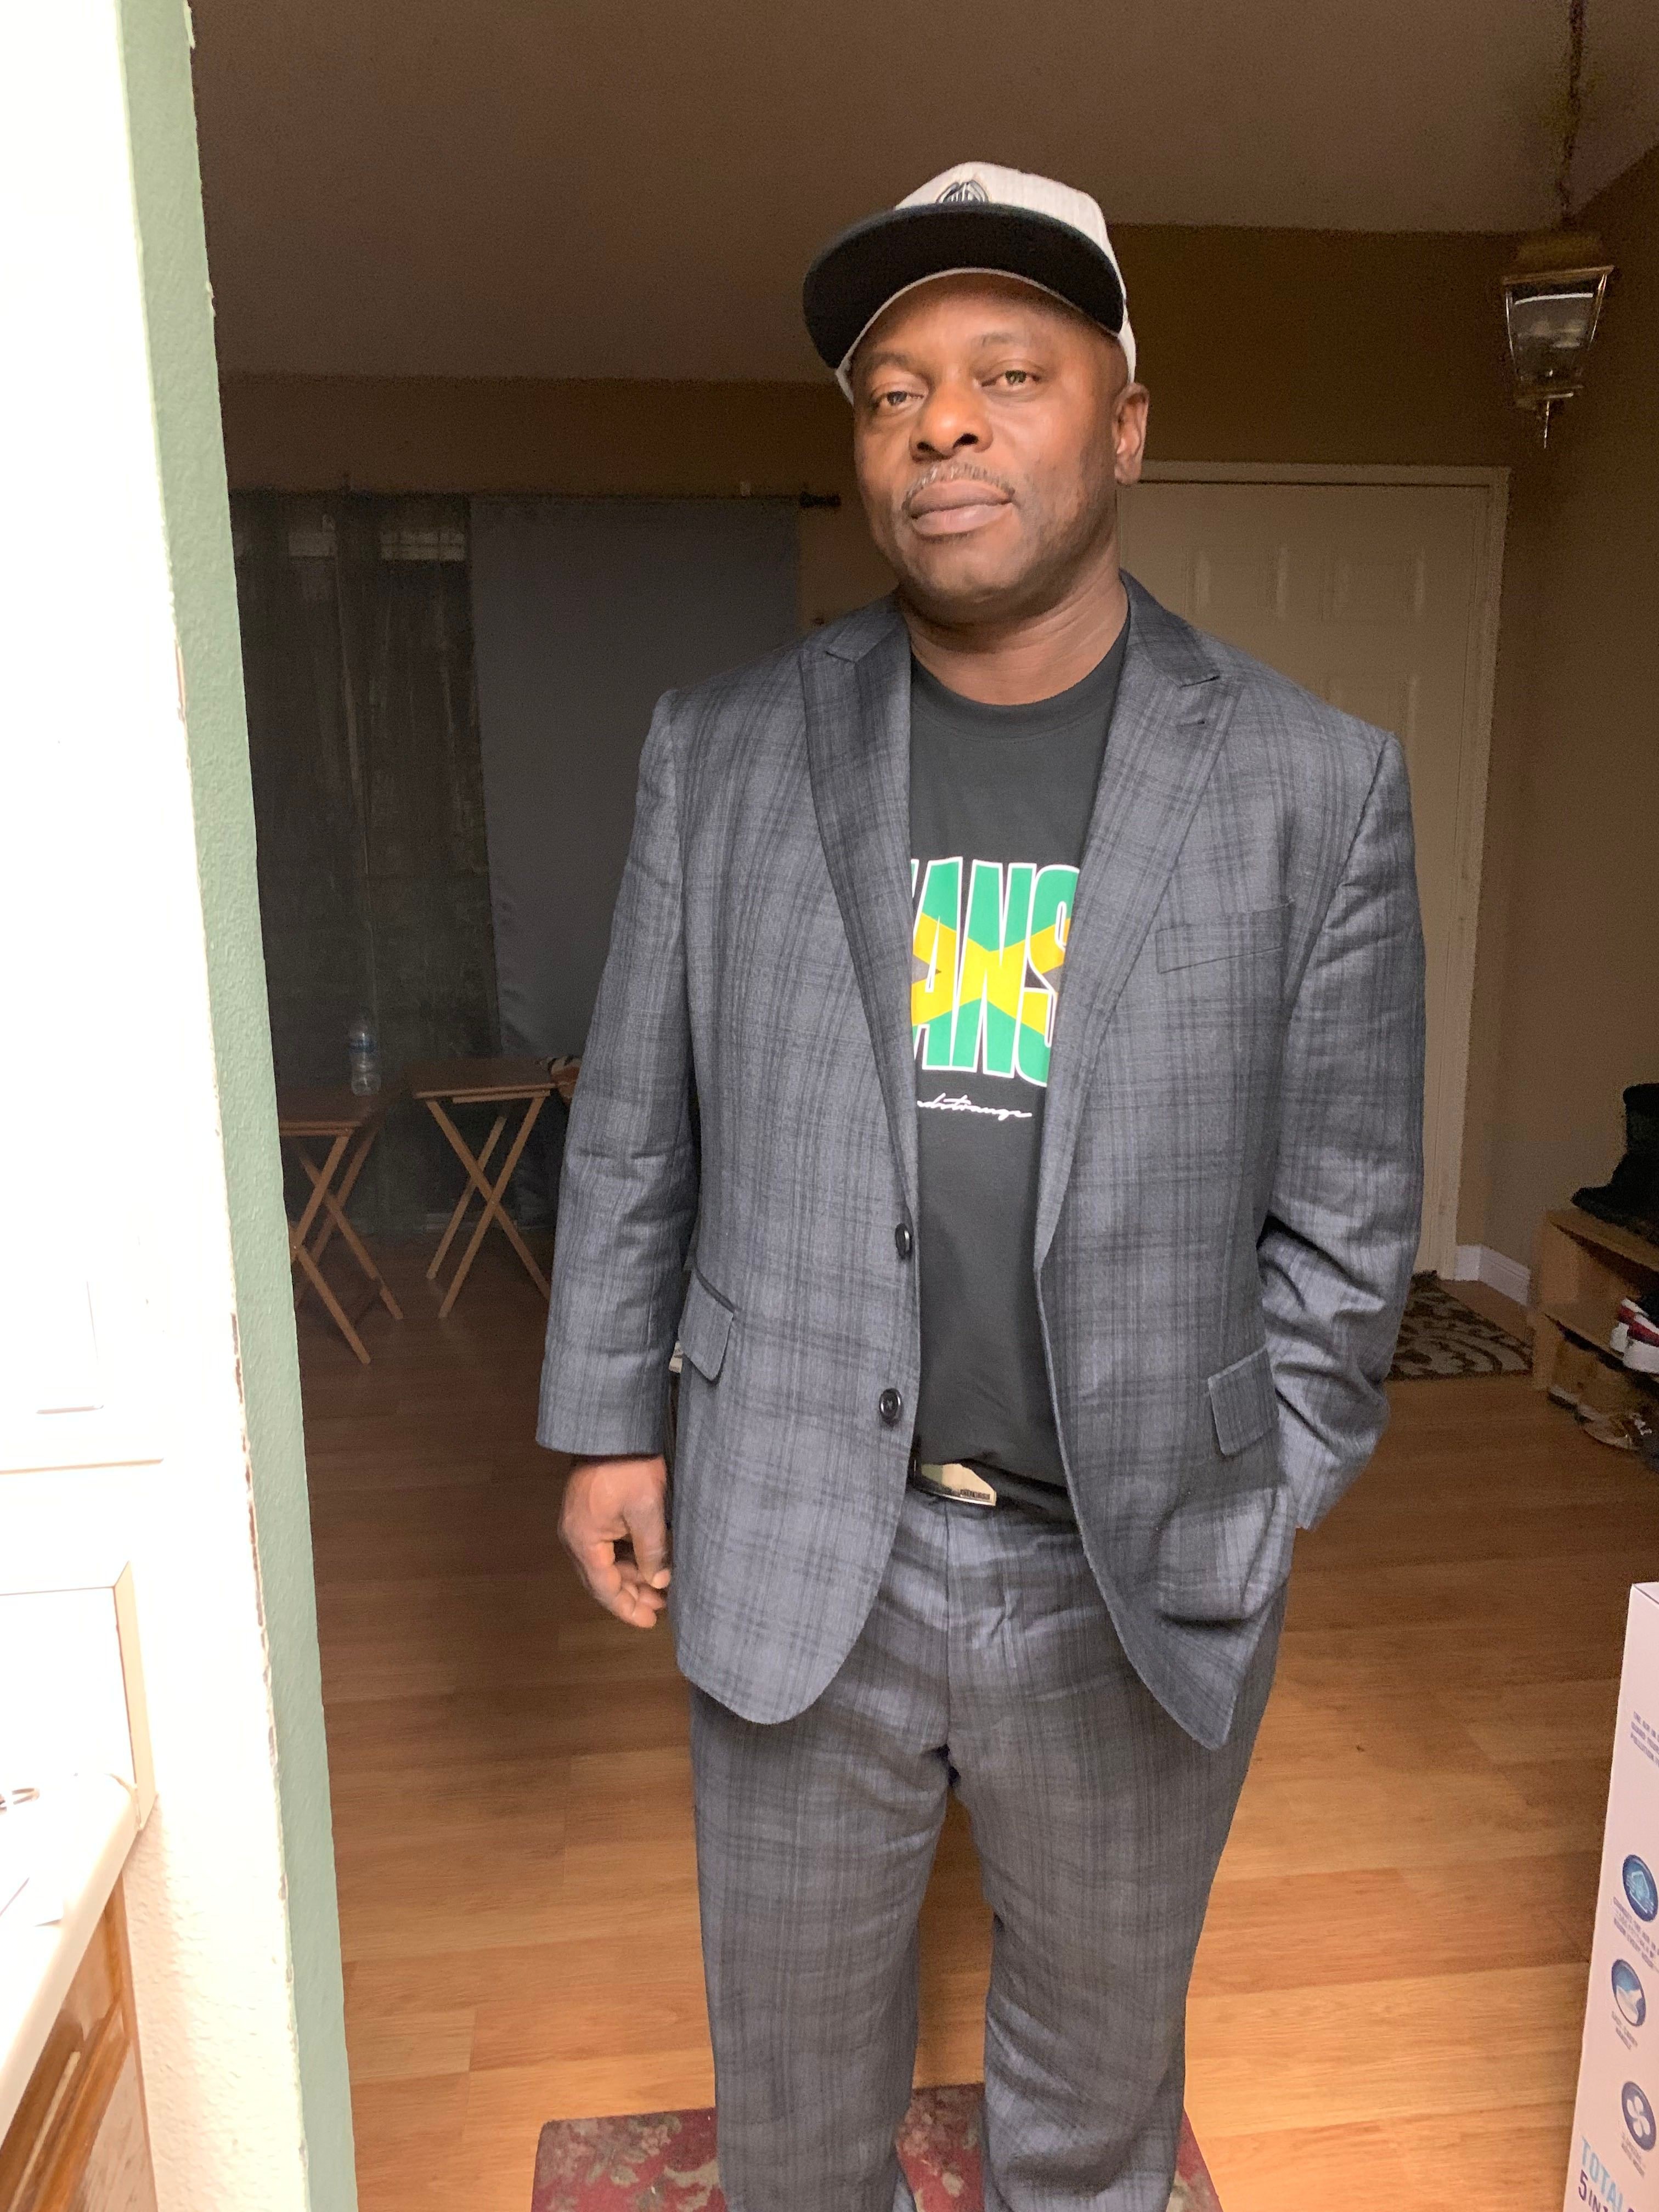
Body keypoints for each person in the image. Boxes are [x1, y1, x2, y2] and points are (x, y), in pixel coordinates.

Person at [539, 162, 1425, 2212]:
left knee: (1093, 2115)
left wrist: (1259, 1480)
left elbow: (1353, 1211)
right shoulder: (722, 752)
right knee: (794, 2115)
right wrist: (605, 1423)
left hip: (1134, 1566)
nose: (940, 423)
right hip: (795, 1536)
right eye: (892, 390)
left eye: (1009, 374)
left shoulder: (1313, 785)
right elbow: (640, 1120)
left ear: (1125, 428)